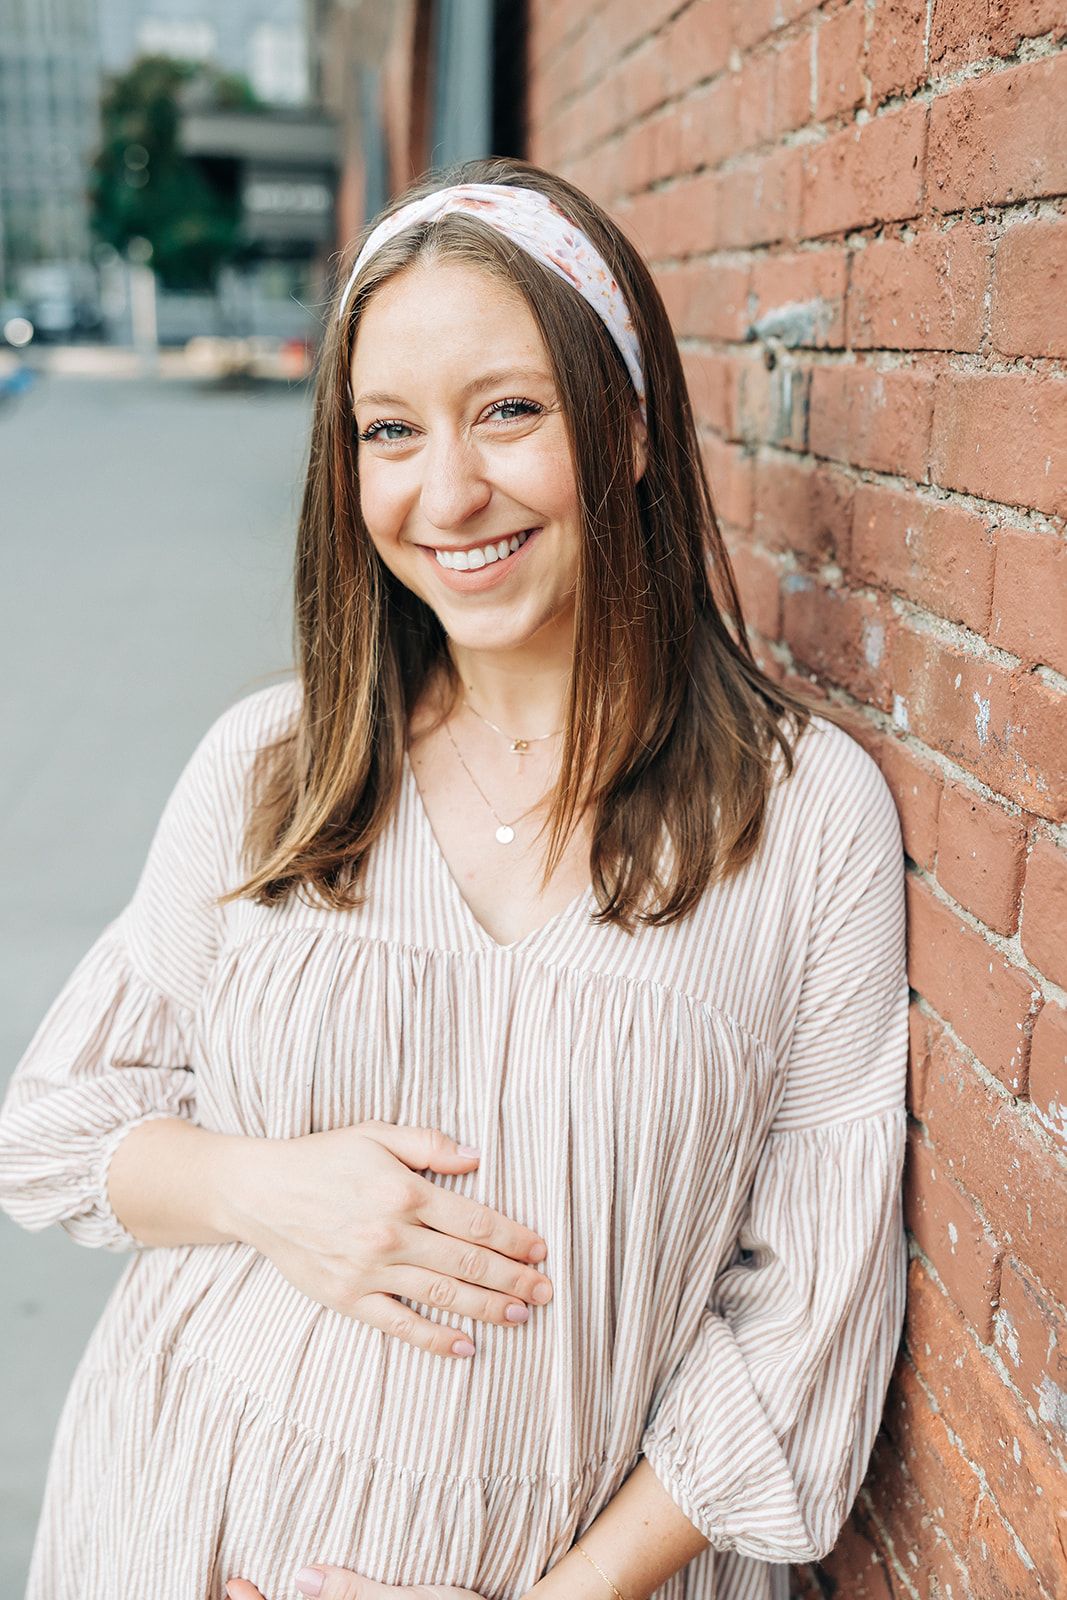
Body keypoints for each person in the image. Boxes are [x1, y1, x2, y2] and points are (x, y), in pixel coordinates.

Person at [0, 157, 909, 1600]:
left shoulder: (801, 825)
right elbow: (51, 1129)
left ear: (623, 430)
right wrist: (262, 1190)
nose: (447, 490)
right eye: (389, 430)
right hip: (183, 1520)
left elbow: (809, 1318)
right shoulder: (275, 774)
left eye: (509, 411)